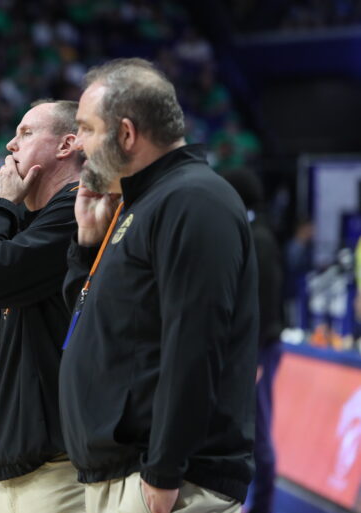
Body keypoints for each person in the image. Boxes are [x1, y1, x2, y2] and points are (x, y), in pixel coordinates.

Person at [59, 58, 259, 513]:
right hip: (127, 474)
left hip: (167, 481)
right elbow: (94, 328)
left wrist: (165, 469)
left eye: (87, 129)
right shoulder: (143, 202)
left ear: (126, 134)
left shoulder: (192, 200)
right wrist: (87, 248)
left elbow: (195, 343)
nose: (79, 146)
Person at [0, 99, 85, 512]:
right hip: (25, 465)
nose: (10, 145)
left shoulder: (74, 212)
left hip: (57, 466)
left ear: (68, 144)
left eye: (27, 133)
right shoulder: (35, 221)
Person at [222, 170, 283, 513]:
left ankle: (262, 506)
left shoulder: (258, 238)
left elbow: (266, 300)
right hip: (255, 347)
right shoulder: (252, 232)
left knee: (257, 428)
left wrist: (254, 357)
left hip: (259, 349)